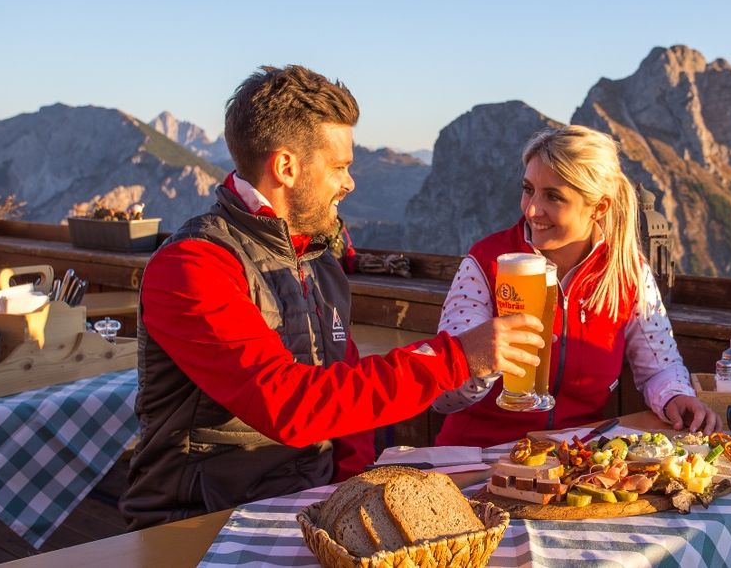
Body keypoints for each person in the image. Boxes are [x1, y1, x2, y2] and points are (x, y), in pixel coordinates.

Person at [121, 65, 543, 529]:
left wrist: (350, 499)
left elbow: (345, 394)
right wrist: (455, 357)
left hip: (307, 509)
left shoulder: (319, 260)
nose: (350, 182)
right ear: (286, 167)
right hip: (204, 522)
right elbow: (288, 405)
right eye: (339, 167)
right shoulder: (192, 265)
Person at [433, 125, 719, 447]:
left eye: (553, 196)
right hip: (478, 456)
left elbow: (659, 369)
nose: (531, 209)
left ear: (599, 207)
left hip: (573, 458)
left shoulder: (627, 271)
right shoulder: (487, 261)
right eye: (528, 189)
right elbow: (443, 398)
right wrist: (484, 361)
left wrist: (676, 397)